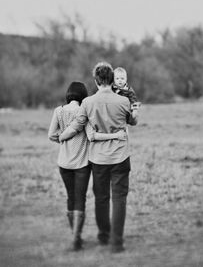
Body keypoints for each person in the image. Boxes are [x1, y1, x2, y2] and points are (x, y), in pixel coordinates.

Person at [59, 62, 138, 253]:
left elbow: (77, 126)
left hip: (98, 159)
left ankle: (104, 237)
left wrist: (60, 136)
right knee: (119, 199)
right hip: (120, 156)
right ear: (112, 80)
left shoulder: (87, 103)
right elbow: (133, 121)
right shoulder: (123, 101)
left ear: (96, 80)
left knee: (101, 198)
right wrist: (135, 112)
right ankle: (116, 243)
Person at [48, 81, 127, 251]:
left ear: (68, 94)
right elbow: (91, 135)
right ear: (83, 95)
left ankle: (75, 236)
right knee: (80, 198)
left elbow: (51, 135)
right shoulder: (84, 109)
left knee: (70, 197)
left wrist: (62, 140)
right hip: (82, 164)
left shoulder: (58, 111)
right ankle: (76, 238)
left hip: (64, 162)